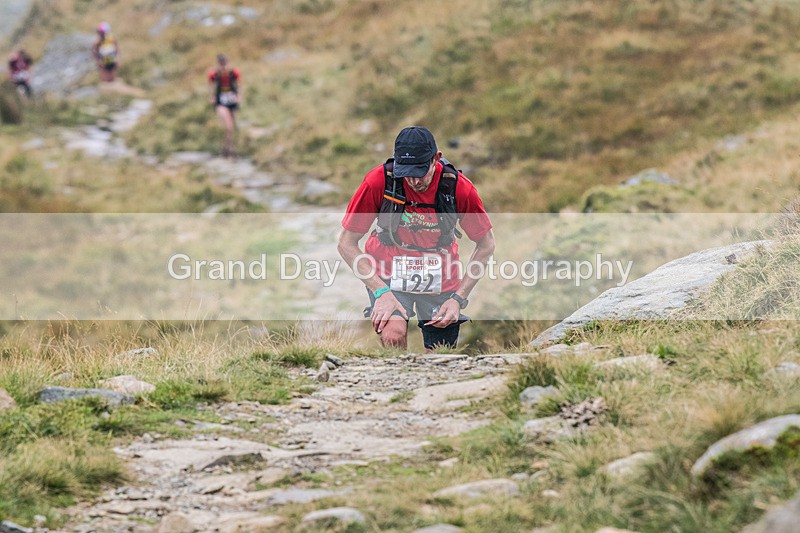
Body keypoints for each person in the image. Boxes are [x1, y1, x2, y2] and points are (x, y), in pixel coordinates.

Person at [338, 126, 495, 351]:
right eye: (405, 172)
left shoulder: (458, 188)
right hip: (388, 273)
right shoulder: (378, 182)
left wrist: (458, 299)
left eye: (420, 171)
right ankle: (399, 381)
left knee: (441, 351)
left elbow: (487, 244)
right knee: (393, 334)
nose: (412, 180)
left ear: (436, 159)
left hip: (441, 276)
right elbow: (346, 242)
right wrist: (380, 291)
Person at [208, 54, 241, 157]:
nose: (223, 64)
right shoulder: (214, 74)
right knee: (228, 124)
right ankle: (227, 148)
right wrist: (212, 97)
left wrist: (239, 97)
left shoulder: (233, 72)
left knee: (232, 125)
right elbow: (210, 86)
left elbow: (239, 84)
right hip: (221, 100)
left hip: (231, 99)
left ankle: (230, 147)